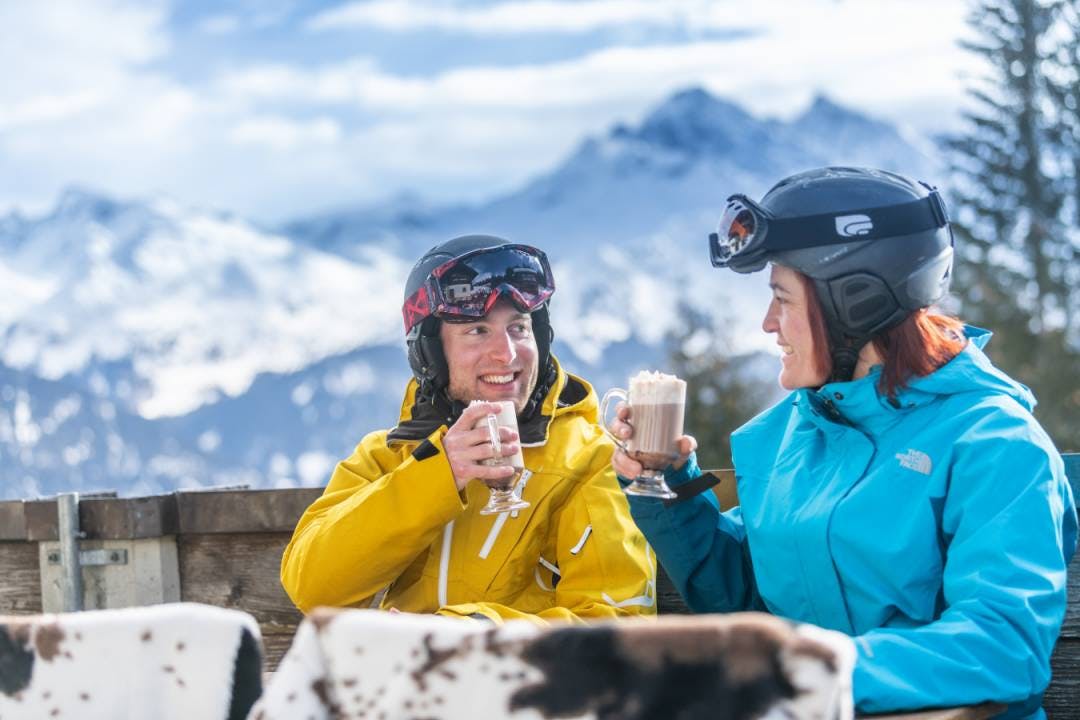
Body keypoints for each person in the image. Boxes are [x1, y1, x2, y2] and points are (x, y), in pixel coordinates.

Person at [612, 167, 1077, 718]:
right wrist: (665, 479)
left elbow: (1002, 647)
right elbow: (743, 598)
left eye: (782, 298)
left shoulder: (993, 441)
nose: (767, 324)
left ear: (854, 301)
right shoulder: (790, 433)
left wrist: (814, 673)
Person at [282, 234, 656, 623]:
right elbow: (312, 589)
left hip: (522, 682)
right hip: (397, 678)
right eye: (478, 330)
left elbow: (619, 627)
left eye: (519, 328)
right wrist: (438, 474)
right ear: (431, 353)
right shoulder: (390, 456)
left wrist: (465, 635)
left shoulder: (593, 462)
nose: (507, 354)